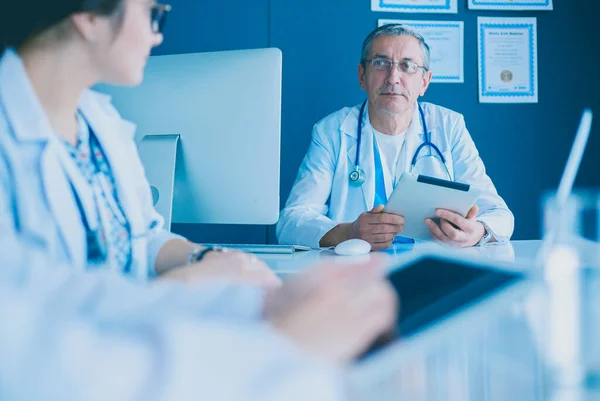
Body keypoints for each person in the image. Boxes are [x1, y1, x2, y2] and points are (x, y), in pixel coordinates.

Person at [0, 0, 277, 286]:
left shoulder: (101, 122)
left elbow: (142, 236)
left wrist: (208, 258)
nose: (156, 35)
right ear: (91, 18)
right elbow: (22, 308)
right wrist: (182, 287)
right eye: (151, 13)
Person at [277, 24, 514, 251]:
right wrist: (348, 233)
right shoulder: (332, 131)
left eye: (407, 66)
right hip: (354, 275)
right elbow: (290, 222)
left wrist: (478, 232)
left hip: (432, 268)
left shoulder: (448, 126)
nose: (393, 77)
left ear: (424, 81)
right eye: (381, 63)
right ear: (362, 76)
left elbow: (499, 214)